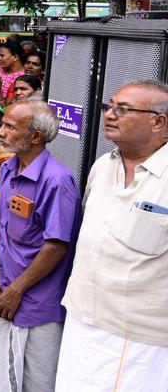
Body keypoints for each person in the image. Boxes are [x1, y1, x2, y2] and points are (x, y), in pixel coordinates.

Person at [56, 81, 168, 390]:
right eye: (110, 106)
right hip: (82, 320)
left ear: (158, 122)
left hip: (141, 339)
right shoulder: (103, 166)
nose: (109, 115)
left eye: (123, 109)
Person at [0, 101, 80, 392]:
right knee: (2, 378)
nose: (0, 132)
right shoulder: (8, 168)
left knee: (36, 383)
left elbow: (56, 246)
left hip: (37, 306)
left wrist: (16, 290)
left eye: (10, 127)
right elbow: (3, 227)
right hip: (5, 297)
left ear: (35, 137)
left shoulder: (58, 180)